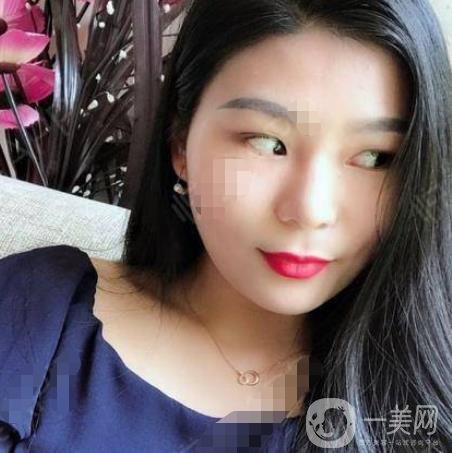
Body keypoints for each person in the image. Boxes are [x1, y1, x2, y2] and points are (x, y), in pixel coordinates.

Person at [1, 0, 451, 451]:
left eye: (374, 157)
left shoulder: (418, 405)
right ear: (181, 143)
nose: (310, 210)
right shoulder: (41, 314)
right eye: (267, 142)